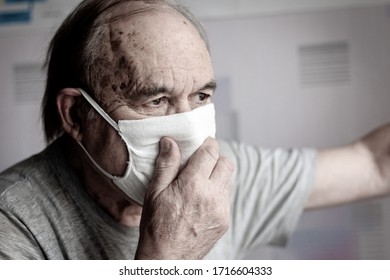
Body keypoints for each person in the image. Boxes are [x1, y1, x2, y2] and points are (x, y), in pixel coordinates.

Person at [0, 0, 389, 260]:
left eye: (201, 95)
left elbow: (375, 163)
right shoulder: (14, 223)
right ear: (75, 115)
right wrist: (168, 258)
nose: (189, 131)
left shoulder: (219, 174)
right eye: (156, 101)